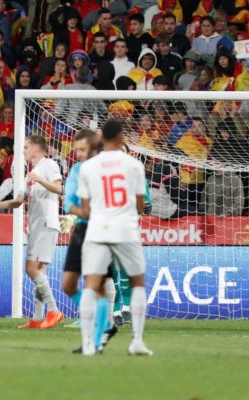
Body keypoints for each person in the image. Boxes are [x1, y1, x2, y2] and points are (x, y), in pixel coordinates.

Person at [77, 118, 152, 356]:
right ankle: (137, 341)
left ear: (101, 139)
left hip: (98, 228)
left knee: (91, 285)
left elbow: (85, 207)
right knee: (138, 282)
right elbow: (141, 205)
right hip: (126, 229)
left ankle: (89, 344)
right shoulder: (134, 166)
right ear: (121, 139)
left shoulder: (88, 167)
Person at [0, 135, 64, 329]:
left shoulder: (48, 165)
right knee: (38, 271)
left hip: (47, 223)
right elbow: (17, 202)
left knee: (32, 269)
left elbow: (59, 188)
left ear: (37, 148)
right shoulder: (29, 174)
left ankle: (54, 311)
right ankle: (37, 318)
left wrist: (40, 179)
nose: (23, 150)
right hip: (35, 226)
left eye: (26, 147)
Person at [61, 128, 117, 351]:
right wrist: (85, 213)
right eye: (76, 150)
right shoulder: (76, 170)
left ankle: (97, 338)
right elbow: (68, 204)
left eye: (82, 149)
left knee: (96, 285)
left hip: (103, 230)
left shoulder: (108, 170)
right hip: (83, 228)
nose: (79, 154)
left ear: (94, 148)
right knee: (68, 285)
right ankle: (102, 323)